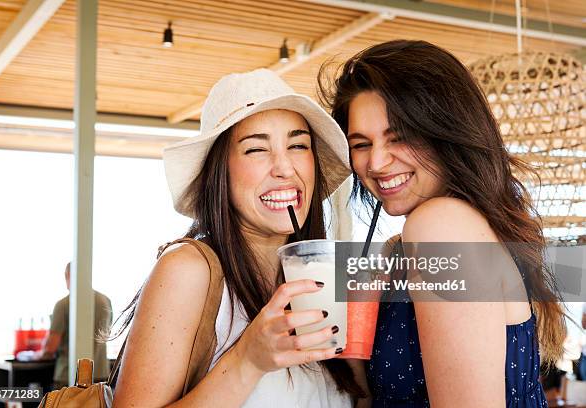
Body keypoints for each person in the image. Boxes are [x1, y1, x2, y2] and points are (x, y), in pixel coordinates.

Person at [318, 40, 566, 407]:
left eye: (399, 137)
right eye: (361, 143)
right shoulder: (431, 235)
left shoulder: (440, 225)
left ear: (446, 132)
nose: (378, 163)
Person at [112, 69, 366, 407]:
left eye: (298, 145)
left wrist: (360, 367)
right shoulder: (187, 271)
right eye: (256, 149)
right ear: (221, 172)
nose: (285, 168)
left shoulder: (320, 281)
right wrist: (248, 359)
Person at [34, 262, 113, 388]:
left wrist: (38, 354)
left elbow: (50, 348)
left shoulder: (63, 305)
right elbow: (106, 335)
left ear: (67, 275)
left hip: (68, 376)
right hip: (101, 374)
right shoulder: (105, 301)